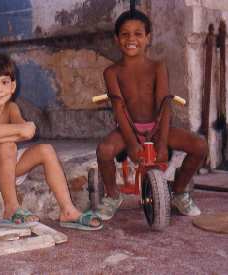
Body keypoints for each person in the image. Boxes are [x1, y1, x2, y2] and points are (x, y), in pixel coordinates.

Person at [0, 53, 102, 231]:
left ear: (13, 86)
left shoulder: (12, 107)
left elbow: (28, 132)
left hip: (3, 168)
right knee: (8, 147)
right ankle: (11, 209)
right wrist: (9, 134)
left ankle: (68, 210)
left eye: (4, 82)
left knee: (45, 149)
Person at [96, 10, 208, 220]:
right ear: (116, 39)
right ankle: (112, 196)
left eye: (138, 34)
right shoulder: (111, 72)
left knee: (200, 146)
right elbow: (118, 108)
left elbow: (165, 106)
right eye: (125, 34)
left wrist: (163, 143)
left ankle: (179, 192)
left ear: (148, 38)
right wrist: (130, 143)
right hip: (128, 128)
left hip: (157, 129)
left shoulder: (158, 67)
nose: (131, 39)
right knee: (104, 150)